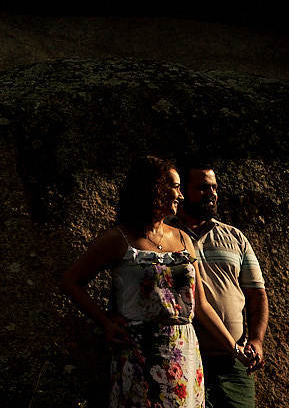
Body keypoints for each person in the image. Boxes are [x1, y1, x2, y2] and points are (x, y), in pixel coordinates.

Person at [60, 155, 253, 408]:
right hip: (139, 354)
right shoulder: (119, 239)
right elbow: (71, 282)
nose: (180, 195)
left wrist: (235, 349)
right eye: (175, 187)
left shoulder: (183, 239)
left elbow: (201, 305)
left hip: (184, 355)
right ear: (154, 188)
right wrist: (105, 322)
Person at [167, 162, 268, 408]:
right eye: (203, 188)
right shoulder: (163, 235)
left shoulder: (235, 237)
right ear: (182, 191)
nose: (211, 193)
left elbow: (257, 294)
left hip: (234, 362)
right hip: (181, 359)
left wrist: (256, 340)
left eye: (214, 187)